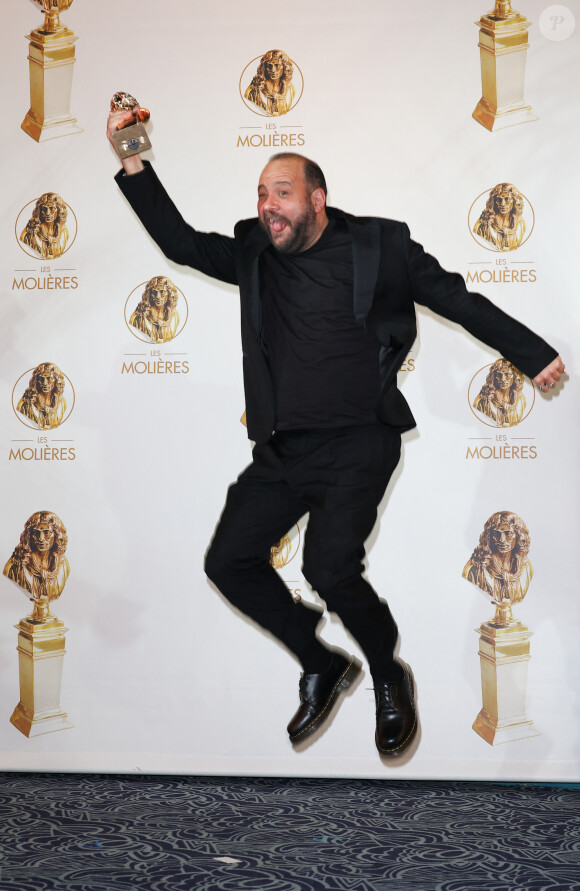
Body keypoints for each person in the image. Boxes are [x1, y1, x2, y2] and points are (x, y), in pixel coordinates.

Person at [108, 109, 564, 756]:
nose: (269, 206)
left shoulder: (380, 246)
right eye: (262, 195)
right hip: (284, 448)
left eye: (282, 194)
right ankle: (321, 662)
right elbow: (180, 243)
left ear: (316, 199)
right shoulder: (254, 250)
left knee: (328, 564)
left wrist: (530, 351)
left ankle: (386, 670)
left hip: (358, 442)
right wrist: (131, 154)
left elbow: (456, 300)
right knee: (228, 561)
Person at [3, 510, 70, 622]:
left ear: (57, 535)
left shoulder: (63, 565)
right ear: (29, 535)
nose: (41, 538)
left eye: (47, 532)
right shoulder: (18, 565)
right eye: (36, 533)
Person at [462, 511, 533, 605]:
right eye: (497, 534)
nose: (502, 539)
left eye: (508, 533)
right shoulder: (476, 568)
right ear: (490, 536)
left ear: (519, 535)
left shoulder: (526, 567)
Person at [473, 358, 526, 427]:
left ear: (515, 376)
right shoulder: (486, 400)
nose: (503, 379)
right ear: (494, 377)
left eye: (507, 374)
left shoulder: (521, 399)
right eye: (499, 375)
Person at [473, 183, 526, 252]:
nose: (503, 204)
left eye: (507, 199)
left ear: (515, 201)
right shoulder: (486, 223)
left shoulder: (520, 223)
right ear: (494, 201)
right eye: (499, 199)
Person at [244, 49, 296, 116]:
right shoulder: (256, 90)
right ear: (264, 68)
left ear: (285, 67)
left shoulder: (290, 89)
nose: (273, 70)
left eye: (277, 65)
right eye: (269, 66)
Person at [129, 275, 180, 342]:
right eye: (154, 292)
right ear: (149, 294)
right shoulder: (141, 315)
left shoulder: (174, 316)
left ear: (170, 293)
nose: (158, 297)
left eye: (162, 292)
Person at [17, 362, 66, 429]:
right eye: (41, 379)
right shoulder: (28, 403)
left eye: (49, 378)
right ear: (36, 380)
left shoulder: (61, 402)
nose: (45, 383)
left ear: (57, 380)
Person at [20, 192, 69, 259]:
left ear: (59, 210)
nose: (48, 213)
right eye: (44, 209)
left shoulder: (64, 232)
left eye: (52, 208)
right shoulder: (31, 233)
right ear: (40, 211)